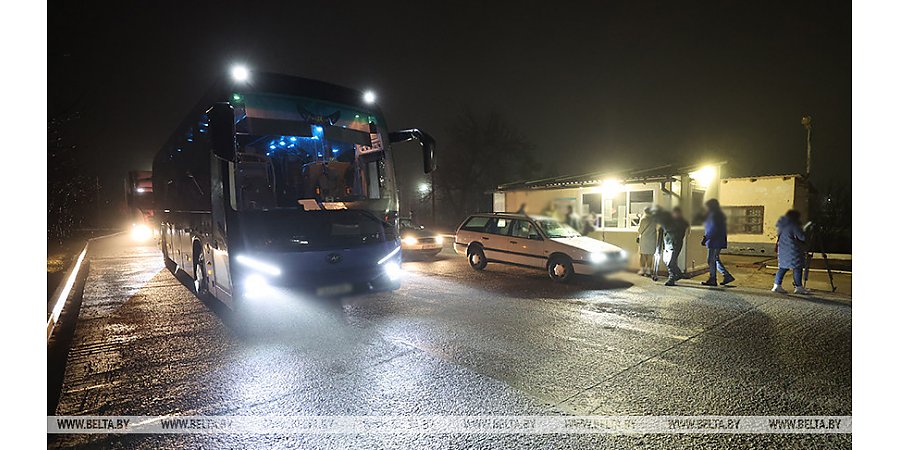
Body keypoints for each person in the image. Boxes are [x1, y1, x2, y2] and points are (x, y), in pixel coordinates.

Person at [772, 210, 812, 295]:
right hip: (793, 251)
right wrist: (807, 231)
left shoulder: (783, 226)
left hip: (783, 250)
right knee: (797, 268)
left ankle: (776, 285)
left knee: (782, 268)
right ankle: (798, 287)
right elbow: (802, 237)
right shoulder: (794, 226)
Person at [700, 199, 735, 286]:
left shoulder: (714, 215)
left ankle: (713, 279)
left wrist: (706, 238)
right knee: (715, 259)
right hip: (716, 240)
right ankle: (726, 276)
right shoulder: (717, 214)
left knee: (711, 260)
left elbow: (713, 228)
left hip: (714, 241)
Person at [659, 206, 690, 286]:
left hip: (675, 244)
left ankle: (671, 278)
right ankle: (679, 274)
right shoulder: (671, 221)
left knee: (671, 262)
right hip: (668, 244)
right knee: (667, 261)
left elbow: (670, 229)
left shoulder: (681, 223)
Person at [636, 207, 657, 276]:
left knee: (643, 255)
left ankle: (642, 270)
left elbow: (640, 230)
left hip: (644, 240)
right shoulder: (654, 219)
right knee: (650, 255)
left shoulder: (643, 219)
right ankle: (648, 270)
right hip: (652, 239)